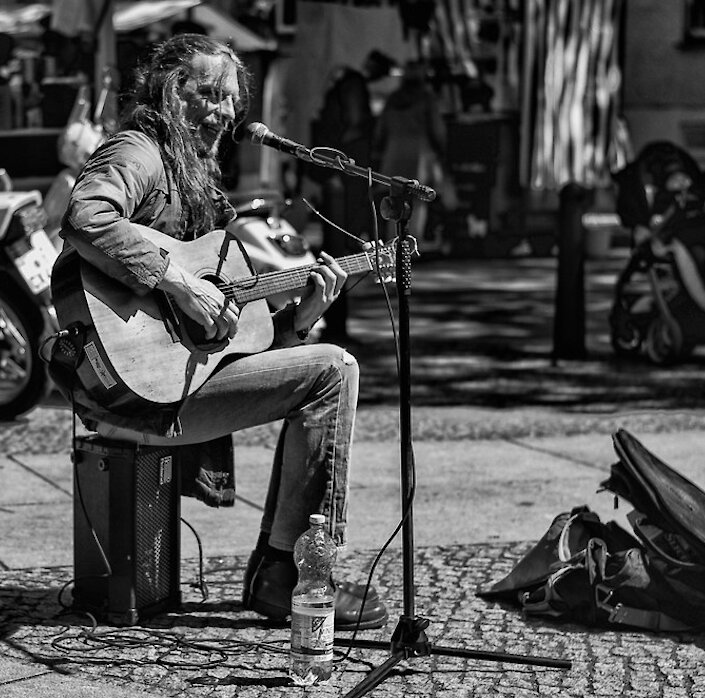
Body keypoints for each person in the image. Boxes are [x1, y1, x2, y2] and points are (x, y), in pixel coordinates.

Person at [53, 34, 389, 630]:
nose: (223, 111)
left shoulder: (199, 183)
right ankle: (289, 574)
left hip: (165, 383)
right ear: (166, 91)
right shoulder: (139, 152)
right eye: (206, 94)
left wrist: (305, 313)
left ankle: (279, 572)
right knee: (336, 370)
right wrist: (179, 284)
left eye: (230, 99)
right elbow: (85, 217)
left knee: (322, 367)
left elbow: (250, 334)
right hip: (129, 390)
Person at [309, 50, 394, 346]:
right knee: (337, 254)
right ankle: (333, 324)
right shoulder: (350, 83)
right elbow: (352, 127)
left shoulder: (349, 84)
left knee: (339, 254)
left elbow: (351, 128)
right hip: (343, 182)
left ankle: (335, 324)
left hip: (346, 180)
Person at [372, 60, 452, 245]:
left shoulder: (394, 99)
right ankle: (412, 244)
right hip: (419, 153)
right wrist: (441, 150)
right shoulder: (426, 98)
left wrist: (380, 148)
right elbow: (437, 129)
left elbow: (380, 129)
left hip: (394, 151)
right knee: (418, 198)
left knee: (394, 197)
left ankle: (393, 243)